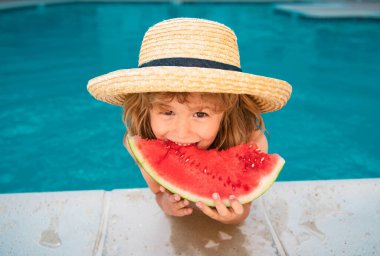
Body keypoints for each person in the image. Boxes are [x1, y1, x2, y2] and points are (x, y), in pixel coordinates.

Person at [87, 18, 292, 224]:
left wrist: (237, 217)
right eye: (167, 112)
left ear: (228, 112)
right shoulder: (142, 144)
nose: (182, 132)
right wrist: (166, 203)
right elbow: (158, 193)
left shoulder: (252, 141)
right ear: (146, 109)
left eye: (200, 114)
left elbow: (245, 206)